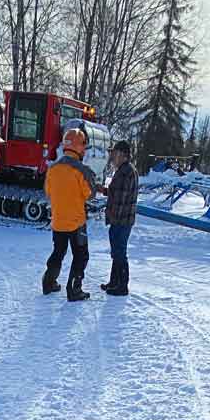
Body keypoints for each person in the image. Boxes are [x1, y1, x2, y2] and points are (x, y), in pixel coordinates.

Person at [42, 128, 98, 302]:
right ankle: (74, 289)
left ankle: (48, 282)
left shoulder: (53, 169)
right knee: (81, 256)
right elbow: (90, 194)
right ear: (79, 147)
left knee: (58, 252)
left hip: (58, 221)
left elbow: (47, 192)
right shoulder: (81, 170)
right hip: (76, 223)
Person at [99, 141, 139, 296]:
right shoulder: (124, 170)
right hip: (121, 220)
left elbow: (120, 200)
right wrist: (103, 190)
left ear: (122, 154)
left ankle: (122, 286)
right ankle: (114, 282)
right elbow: (117, 193)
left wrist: (112, 218)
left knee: (119, 251)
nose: (112, 156)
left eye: (114, 153)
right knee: (116, 252)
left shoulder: (126, 171)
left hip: (121, 221)